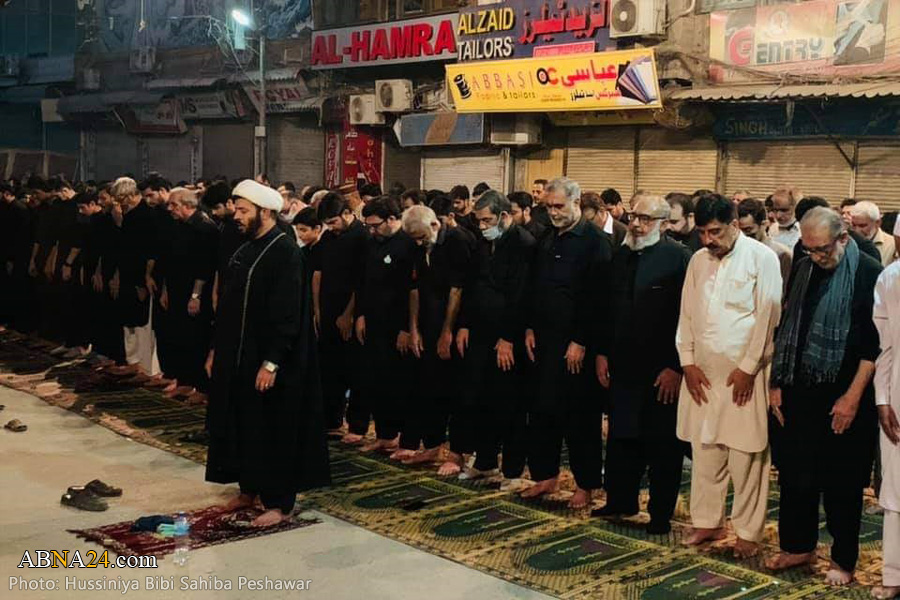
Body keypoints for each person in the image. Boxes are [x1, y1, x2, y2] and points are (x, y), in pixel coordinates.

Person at [766, 207, 881, 586]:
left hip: (846, 394)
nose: (816, 257)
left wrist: (851, 398)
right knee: (796, 476)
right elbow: (787, 328)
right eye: (809, 249)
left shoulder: (868, 273)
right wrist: (777, 383)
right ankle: (798, 546)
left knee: (842, 483)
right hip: (800, 391)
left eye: (822, 250)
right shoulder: (804, 267)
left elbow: (873, 347)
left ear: (843, 238)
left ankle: (843, 559)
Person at [205, 179, 330, 527]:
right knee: (244, 423)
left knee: (275, 428)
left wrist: (271, 362)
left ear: (266, 212)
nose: (237, 217)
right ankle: (249, 489)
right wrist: (217, 350)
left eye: (244, 211)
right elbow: (230, 307)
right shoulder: (246, 249)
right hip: (239, 358)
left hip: (275, 362)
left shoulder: (285, 252)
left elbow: (287, 315)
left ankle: (279, 502)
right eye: (236, 210)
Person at [676, 193, 782, 558]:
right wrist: (687, 362)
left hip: (744, 378)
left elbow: (768, 318)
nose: (708, 240)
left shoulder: (762, 258)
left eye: (716, 232)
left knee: (745, 456)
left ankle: (748, 533)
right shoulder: (697, 260)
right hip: (702, 375)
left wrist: (749, 368)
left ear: (735, 225)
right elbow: (686, 314)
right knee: (705, 451)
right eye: (703, 233)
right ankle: (708, 521)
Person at [593, 194, 690, 534]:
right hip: (623, 366)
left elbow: (688, 319)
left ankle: (660, 514)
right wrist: (602, 353)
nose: (635, 224)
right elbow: (606, 309)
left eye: (645, 219)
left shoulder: (679, 258)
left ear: (663, 224)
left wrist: (676, 367)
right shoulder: (622, 255)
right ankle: (621, 500)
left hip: (662, 370)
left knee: (662, 445)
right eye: (634, 217)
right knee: (622, 438)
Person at [524, 177, 612, 508]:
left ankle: (585, 485)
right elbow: (535, 288)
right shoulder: (547, 238)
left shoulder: (595, 242)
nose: (553, 212)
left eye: (559, 206)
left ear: (576, 203)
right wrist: (530, 328)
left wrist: (580, 340)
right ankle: (545, 476)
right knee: (543, 412)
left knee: (580, 419)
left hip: (577, 347)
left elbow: (597, 299)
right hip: (544, 342)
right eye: (548, 207)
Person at [454, 190, 535, 485]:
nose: (482, 226)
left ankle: (512, 471)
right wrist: (464, 324)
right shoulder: (483, 241)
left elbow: (521, 295)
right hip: (480, 333)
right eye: (479, 221)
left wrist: (507, 338)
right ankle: (485, 461)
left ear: (503, 216)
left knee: (509, 405)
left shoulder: (523, 244)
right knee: (480, 399)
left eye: (487, 220)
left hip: (507, 338)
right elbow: (472, 284)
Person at [401, 205, 471, 471]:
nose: (419, 243)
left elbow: (458, 289)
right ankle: (432, 445)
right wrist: (414, 328)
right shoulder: (417, 245)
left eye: (421, 237)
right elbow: (415, 288)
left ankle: (457, 453)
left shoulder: (457, 240)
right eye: (414, 239)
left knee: (457, 391)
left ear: (434, 225)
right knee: (429, 387)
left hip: (454, 327)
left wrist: (447, 331)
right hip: (427, 324)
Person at [355, 197, 418, 455]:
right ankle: (385, 434)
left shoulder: (408, 244)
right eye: (368, 226)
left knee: (398, 383)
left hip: (397, 325)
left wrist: (406, 328)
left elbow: (411, 290)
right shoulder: (372, 243)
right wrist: (360, 314)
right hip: (373, 322)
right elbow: (364, 281)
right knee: (375, 381)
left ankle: (404, 439)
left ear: (392, 219)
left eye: (376, 225)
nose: (372, 230)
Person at [314, 193, 370, 441]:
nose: (331, 227)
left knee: (355, 371)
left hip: (351, 314)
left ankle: (357, 425)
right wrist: (317, 309)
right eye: (327, 223)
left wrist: (349, 314)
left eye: (334, 222)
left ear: (347, 214)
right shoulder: (328, 237)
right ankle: (332, 420)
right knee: (330, 368)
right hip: (327, 310)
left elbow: (362, 281)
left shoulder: (362, 237)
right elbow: (318, 273)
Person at [158, 188, 219, 403]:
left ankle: (201, 386)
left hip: (195, 292)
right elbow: (170, 260)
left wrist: (196, 295)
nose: (170, 209)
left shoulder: (205, 228)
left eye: (174, 205)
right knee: (179, 336)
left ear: (188, 205)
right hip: (176, 288)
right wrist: (165, 290)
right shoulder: (178, 226)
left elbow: (205, 266)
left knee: (196, 339)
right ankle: (184, 381)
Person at [111, 177, 160, 376]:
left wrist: (142, 281)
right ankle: (132, 361)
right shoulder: (128, 216)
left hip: (140, 276)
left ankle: (145, 367)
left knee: (142, 324)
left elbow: (149, 251)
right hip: (127, 273)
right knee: (128, 321)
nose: (120, 203)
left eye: (122, 198)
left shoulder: (148, 215)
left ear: (131, 195)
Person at [874, 257, 900, 600]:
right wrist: (882, 398)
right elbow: (884, 345)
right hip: (898, 398)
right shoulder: (892, 277)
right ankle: (894, 573)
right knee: (897, 491)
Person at [737, 198, 793, 288]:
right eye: (740, 231)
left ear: (764, 224)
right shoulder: (736, 251)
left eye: (748, 230)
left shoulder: (781, 254)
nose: (743, 236)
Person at [850, 201, 897, 267]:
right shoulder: (847, 241)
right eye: (853, 225)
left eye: (862, 226)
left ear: (877, 223)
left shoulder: (893, 245)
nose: (857, 231)